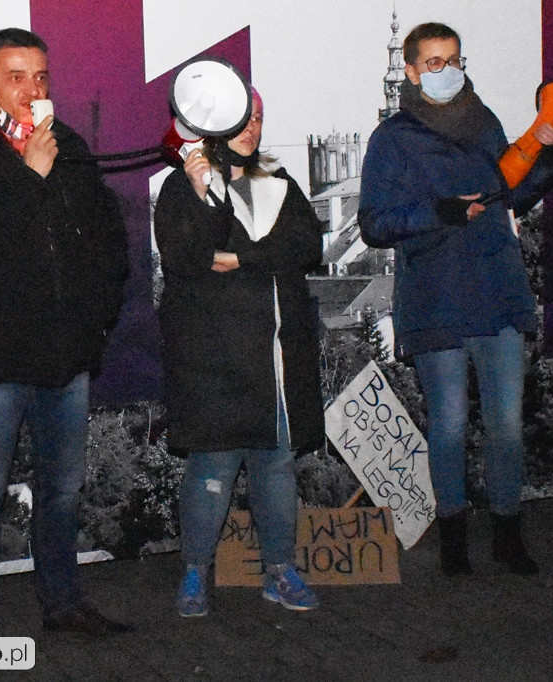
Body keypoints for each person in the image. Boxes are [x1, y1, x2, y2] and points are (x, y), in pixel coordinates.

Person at [0, 28, 131, 636]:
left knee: (63, 490)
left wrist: (97, 319)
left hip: (66, 356)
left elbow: (106, 242)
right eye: (16, 77)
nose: (31, 90)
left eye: (40, 77)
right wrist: (28, 175)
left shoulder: (67, 146)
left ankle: (64, 606)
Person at [358, 22, 553, 576]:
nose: (446, 71)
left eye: (453, 59)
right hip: (436, 298)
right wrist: (440, 212)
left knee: (506, 424)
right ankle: (454, 536)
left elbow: (512, 190)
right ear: (410, 70)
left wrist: (545, 156)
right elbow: (374, 224)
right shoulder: (392, 138)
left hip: (497, 290)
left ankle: (506, 533)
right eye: (432, 62)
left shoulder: (486, 121)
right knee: (448, 425)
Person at [154, 87, 324, 616]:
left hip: (273, 353)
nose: (253, 128)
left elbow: (308, 246)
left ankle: (280, 571)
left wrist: (245, 257)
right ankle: (194, 574)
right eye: (243, 119)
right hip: (215, 356)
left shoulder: (279, 181)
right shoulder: (181, 187)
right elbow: (188, 258)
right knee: (214, 465)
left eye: (259, 119)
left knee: (275, 466)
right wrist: (203, 193)